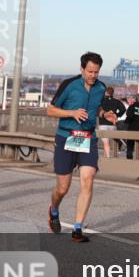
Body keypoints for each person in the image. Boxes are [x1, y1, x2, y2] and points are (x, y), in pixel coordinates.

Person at [47, 52, 107, 242]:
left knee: (88, 179)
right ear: (82, 69)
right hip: (66, 138)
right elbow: (50, 110)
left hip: (88, 138)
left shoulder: (101, 87)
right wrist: (71, 113)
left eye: (96, 72)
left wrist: (106, 114)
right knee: (63, 188)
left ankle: (77, 228)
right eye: (89, 71)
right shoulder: (69, 85)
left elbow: (97, 107)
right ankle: (54, 210)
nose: (93, 75)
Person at [99, 87, 127, 157]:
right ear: (112, 93)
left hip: (103, 124)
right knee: (109, 142)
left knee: (106, 143)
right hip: (112, 124)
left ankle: (108, 157)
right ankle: (106, 156)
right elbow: (123, 109)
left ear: (106, 92)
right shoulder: (116, 101)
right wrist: (117, 115)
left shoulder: (101, 101)